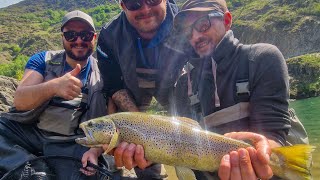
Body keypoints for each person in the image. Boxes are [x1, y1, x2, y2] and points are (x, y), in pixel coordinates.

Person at [172, 0, 291, 179]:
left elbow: (274, 135)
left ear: (227, 21)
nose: (195, 36)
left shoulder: (263, 58)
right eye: (188, 32)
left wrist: (263, 155)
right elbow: (182, 149)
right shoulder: (183, 86)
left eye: (203, 24)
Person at [0, 10, 106, 179]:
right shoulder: (42, 59)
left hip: (70, 143)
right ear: (62, 37)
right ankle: (33, 169)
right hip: (30, 133)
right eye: (71, 35)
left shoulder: (104, 72)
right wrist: (54, 86)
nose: (79, 40)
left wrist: (95, 150)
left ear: (94, 38)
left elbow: (112, 122)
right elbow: (20, 100)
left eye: (85, 35)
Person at [95, 0, 187, 178]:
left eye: (153, 0)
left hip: (177, 83)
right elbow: (113, 85)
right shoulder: (109, 35)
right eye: (133, 3)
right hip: (132, 88)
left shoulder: (186, 21)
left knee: (193, 134)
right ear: (122, 6)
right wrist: (141, 127)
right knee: (138, 149)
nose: (145, 9)